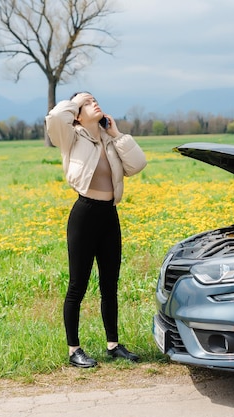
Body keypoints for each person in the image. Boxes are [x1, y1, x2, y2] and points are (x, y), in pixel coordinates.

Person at [45, 92, 147, 368]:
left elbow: (137, 165)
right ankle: (73, 349)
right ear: (77, 114)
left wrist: (117, 134)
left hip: (109, 216)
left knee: (110, 285)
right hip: (84, 215)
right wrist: (76, 99)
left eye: (95, 99)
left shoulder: (109, 140)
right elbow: (55, 117)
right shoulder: (71, 138)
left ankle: (113, 345)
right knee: (77, 285)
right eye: (87, 102)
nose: (95, 103)